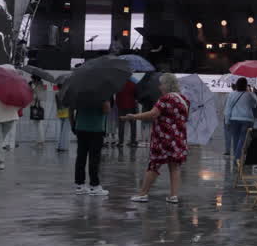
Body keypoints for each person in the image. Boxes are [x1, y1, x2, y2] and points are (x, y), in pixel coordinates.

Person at [124, 73, 189, 203]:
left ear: (166, 85)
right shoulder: (184, 99)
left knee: (154, 165)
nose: (159, 86)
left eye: (161, 84)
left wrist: (134, 116)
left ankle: (143, 193)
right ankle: (173, 195)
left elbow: (153, 114)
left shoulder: (165, 99)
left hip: (163, 139)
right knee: (175, 166)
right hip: (179, 139)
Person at [71, 95, 110, 196]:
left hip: (81, 127)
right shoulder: (101, 91)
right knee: (94, 158)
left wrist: (73, 125)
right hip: (96, 128)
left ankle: (80, 185)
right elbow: (106, 110)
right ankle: (94, 186)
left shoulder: (79, 91)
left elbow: (71, 108)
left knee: (81, 156)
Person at [224, 78, 257, 159]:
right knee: (243, 139)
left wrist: (227, 120)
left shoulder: (231, 94)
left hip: (234, 119)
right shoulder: (249, 94)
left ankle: (237, 158)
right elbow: (255, 105)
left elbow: (228, 108)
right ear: (246, 85)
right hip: (247, 120)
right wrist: (252, 92)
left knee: (236, 139)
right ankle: (238, 156)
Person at [115, 79, 139, 147]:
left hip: (121, 106)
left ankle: (120, 142)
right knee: (133, 125)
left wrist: (118, 104)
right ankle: (133, 141)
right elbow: (136, 95)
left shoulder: (119, 83)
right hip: (131, 106)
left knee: (121, 125)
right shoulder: (133, 83)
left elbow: (117, 95)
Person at [28, 75, 48, 147]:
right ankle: (39, 141)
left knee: (38, 125)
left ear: (36, 80)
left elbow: (38, 97)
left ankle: (40, 142)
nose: (32, 80)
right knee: (38, 125)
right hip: (38, 107)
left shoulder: (39, 86)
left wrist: (33, 90)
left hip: (37, 107)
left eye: (33, 79)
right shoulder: (40, 86)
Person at [53, 81, 71, 153]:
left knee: (60, 131)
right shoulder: (67, 94)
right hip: (67, 113)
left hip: (60, 113)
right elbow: (68, 104)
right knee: (65, 131)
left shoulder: (57, 94)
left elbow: (58, 105)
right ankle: (64, 146)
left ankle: (59, 146)